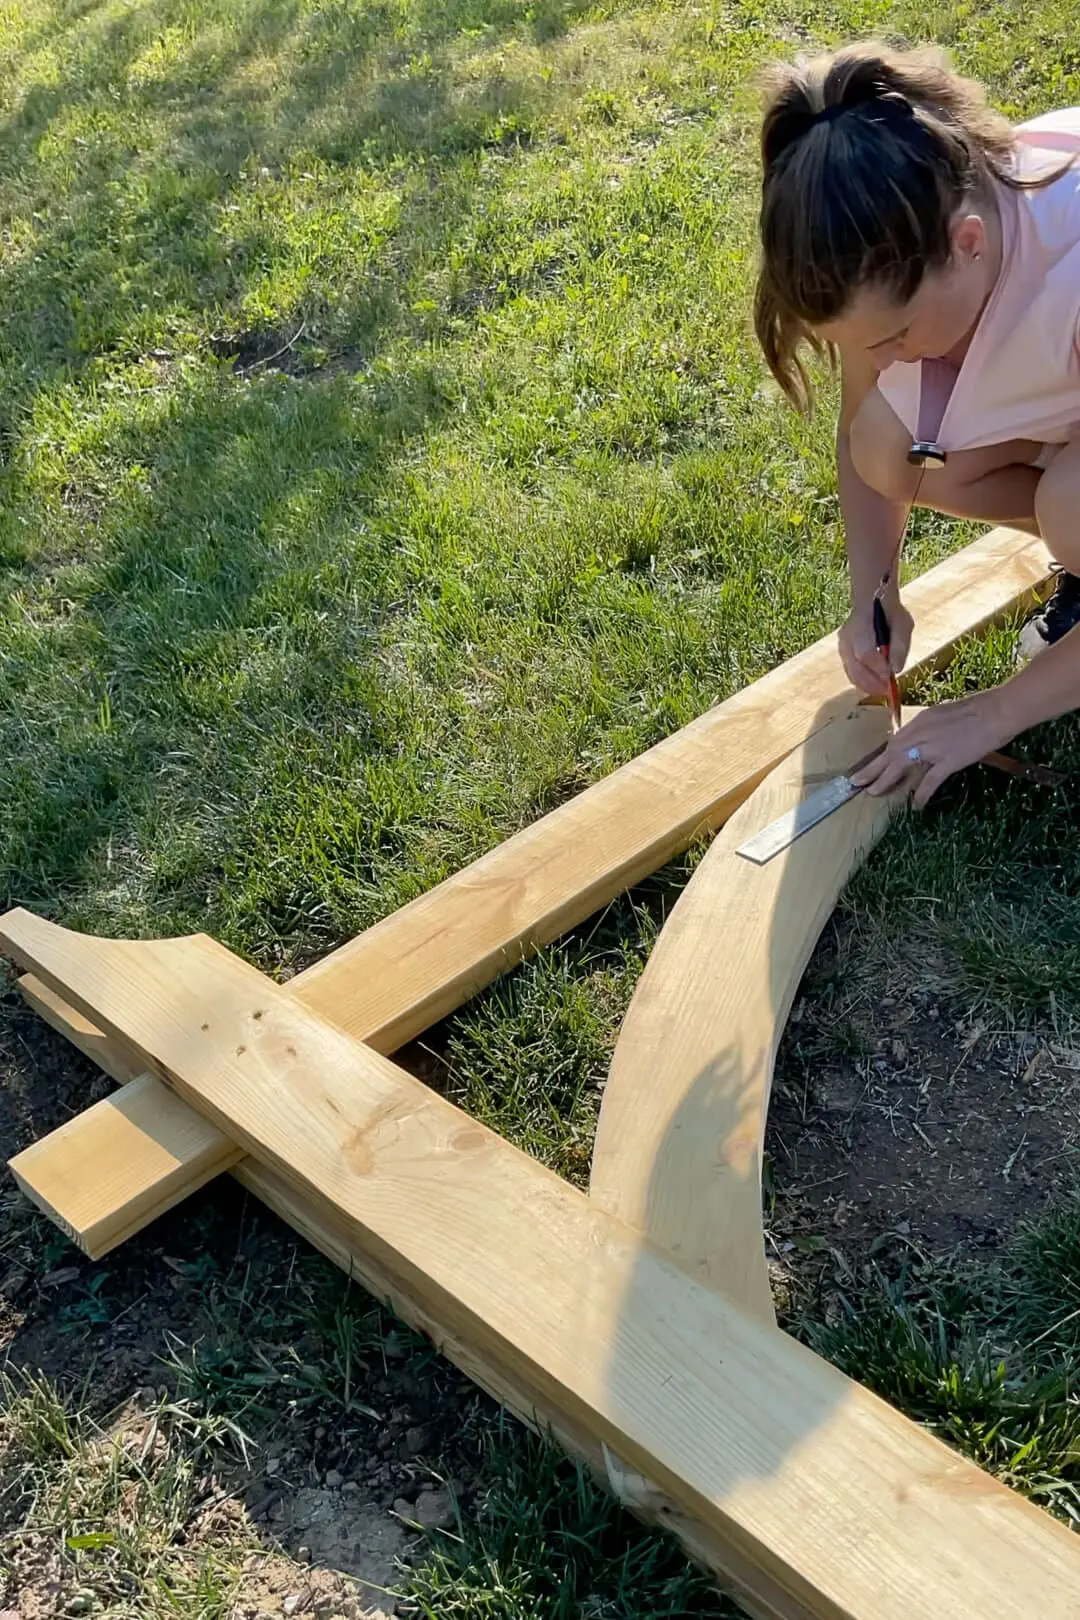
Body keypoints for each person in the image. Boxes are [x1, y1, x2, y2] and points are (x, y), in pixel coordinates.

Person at [754, 41, 1080, 807]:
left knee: (1073, 508)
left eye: (894, 337)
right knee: (887, 445)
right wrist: (874, 592)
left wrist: (998, 710)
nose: (883, 359)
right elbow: (861, 433)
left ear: (967, 246)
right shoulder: (911, 224)